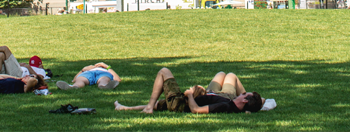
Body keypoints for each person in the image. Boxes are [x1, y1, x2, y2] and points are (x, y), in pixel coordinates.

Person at [114, 67, 263, 115]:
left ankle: (147, 108)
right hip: (183, 102)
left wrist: (190, 94)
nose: (242, 93)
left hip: (181, 103)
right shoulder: (230, 104)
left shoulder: (226, 106)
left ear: (243, 100)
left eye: (244, 94)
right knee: (161, 105)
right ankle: (127, 108)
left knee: (164, 71)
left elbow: (196, 110)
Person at [56, 62, 120, 91]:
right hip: (88, 72)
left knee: (104, 79)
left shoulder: (106, 70)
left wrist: (107, 67)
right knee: (80, 80)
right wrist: (83, 70)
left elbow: (118, 79)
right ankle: (74, 87)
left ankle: (104, 86)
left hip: (103, 73)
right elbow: (74, 80)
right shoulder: (87, 70)